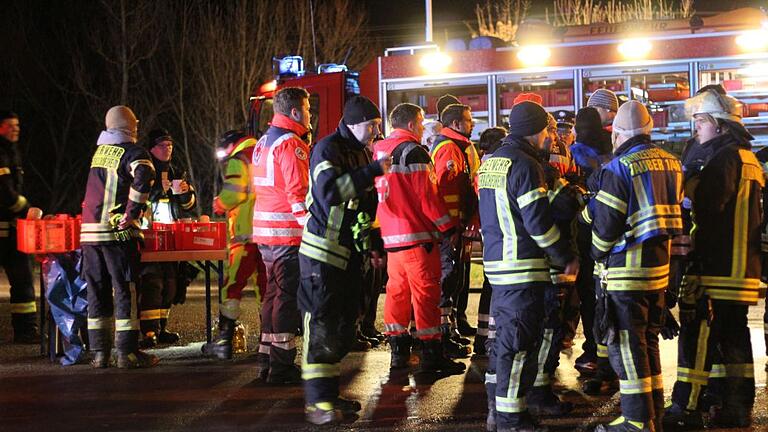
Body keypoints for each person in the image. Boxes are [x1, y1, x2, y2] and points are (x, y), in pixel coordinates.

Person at [665, 89, 763, 429]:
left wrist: (687, 181)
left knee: (698, 335)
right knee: (732, 338)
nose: (697, 129)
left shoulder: (723, 160)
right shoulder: (745, 157)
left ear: (720, 126)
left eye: (701, 121)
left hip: (718, 266)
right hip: (741, 268)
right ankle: (732, 403)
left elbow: (710, 203)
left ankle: (685, 408)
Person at [479, 101, 579, 432]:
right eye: (549, 130)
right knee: (518, 346)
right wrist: (564, 256)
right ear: (537, 132)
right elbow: (538, 224)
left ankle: (498, 410)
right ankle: (511, 418)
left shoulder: (491, 161)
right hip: (523, 266)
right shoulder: (526, 165)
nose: (552, 136)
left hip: (499, 265)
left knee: (504, 343)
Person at [587, 101, 682, 432]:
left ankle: (637, 422)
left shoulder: (618, 167)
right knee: (648, 344)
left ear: (616, 134)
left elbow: (606, 225)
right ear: (650, 126)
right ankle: (653, 412)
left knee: (627, 350)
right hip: (658, 272)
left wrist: (596, 255)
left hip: (625, 274)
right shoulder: (672, 162)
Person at [298, 96, 390, 425]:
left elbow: (365, 207)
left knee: (342, 329)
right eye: (372, 126)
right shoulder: (327, 149)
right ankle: (318, 403)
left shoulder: (360, 152)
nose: (376, 133)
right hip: (322, 254)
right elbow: (330, 192)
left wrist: (375, 244)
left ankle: (329, 394)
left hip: (349, 255)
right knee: (322, 329)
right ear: (353, 123)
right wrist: (371, 171)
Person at [374, 102, 465, 375]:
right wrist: (448, 229)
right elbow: (428, 198)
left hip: (391, 238)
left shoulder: (379, 149)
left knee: (397, 293)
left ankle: (398, 352)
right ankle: (431, 355)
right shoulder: (414, 152)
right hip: (417, 237)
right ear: (413, 124)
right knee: (426, 295)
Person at [80, 105, 158, 369]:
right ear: (130, 126)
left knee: (96, 291)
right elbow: (145, 174)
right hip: (117, 233)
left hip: (89, 234)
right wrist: (132, 213)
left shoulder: (100, 153)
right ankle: (127, 352)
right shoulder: (134, 152)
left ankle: (100, 353)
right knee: (124, 290)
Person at [251, 87, 311, 384]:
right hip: (286, 233)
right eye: (308, 110)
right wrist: (311, 228)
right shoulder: (290, 144)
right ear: (296, 112)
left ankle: (266, 359)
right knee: (286, 299)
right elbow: (297, 194)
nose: (310, 115)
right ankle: (282, 365)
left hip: (265, 233)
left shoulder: (263, 141)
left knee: (272, 295)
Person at [209, 130, 267, 361]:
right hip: (268, 234)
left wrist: (220, 203)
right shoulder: (265, 153)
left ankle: (224, 342)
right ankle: (268, 344)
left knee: (231, 287)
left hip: (244, 235)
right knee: (266, 289)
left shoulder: (240, 159)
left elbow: (234, 193)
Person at [138, 128, 196, 348]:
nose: (167, 149)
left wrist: (185, 192)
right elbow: (135, 200)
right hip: (149, 236)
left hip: (171, 236)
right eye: (162, 145)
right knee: (152, 282)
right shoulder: (144, 171)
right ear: (152, 149)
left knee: (172, 283)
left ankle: (162, 328)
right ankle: (149, 332)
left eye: (170, 145)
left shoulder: (176, 171)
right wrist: (155, 192)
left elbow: (189, 205)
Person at [570, 106, 614, 382]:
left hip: (586, 233)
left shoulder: (577, 152)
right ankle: (604, 351)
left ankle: (593, 350)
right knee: (604, 296)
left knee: (588, 296)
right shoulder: (612, 150)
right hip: (609, 234)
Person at [430, 103, 478, 358]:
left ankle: (447, 331)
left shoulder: (455, 147)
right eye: (469, 120)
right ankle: (441, 334)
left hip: (450, 226)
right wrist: (451, 227)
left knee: (452, 279)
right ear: (457, 124)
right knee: (446, 280)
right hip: (447, 228)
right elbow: (445, 192)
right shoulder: (449, 149)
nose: (473, 125)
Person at [0, 110, 37, 343]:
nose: (16, 129)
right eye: (10, 125)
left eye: (18, 124)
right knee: (22, 279)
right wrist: (26, 208)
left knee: (23, 281)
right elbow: (4, 192)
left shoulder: (10, 152)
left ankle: (26, 331)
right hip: (5, 229)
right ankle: (25, 331)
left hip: (11, 229)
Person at [473, 126, 507, 356]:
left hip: (489, 233)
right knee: (496, 288)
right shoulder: (497, 165)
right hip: (499, 234)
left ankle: (482, 337)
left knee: (489, 286)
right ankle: (491, 339)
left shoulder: (482, 165)